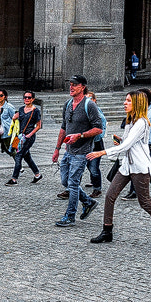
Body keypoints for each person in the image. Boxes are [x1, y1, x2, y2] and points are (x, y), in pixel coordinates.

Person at [91, 90, 151, 246]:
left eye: (128, 101)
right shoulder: (131, 121)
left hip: (139, 167)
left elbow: (127, 145)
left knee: (145, 202)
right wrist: (120, 140)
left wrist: (102, 152)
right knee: (109, 196)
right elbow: (127, 142)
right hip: (127, 166)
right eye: (125, 100)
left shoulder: (141, 122)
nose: (125, 103)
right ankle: (107, 231)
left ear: (137, 104)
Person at [53, 75, 105, 224]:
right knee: (66, 181)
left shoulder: (90, 105)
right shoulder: (68, 104)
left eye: (74, 85)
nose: (71, 87)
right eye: (70, 84)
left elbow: (98, 129)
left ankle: (70, 216)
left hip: (82, 152)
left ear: (82, 87)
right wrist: (57, 149)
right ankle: (88, 202)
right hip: (68, 151)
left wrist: (80, 135)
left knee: (73, 184)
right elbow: (63, 128)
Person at [6, 91, 44, 183]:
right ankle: (37, 174)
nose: (27, 99)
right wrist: (14, 118)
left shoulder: (35, 111)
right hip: (20, 136)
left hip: (28, 137)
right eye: (25, 97)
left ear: (33, 99)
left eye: (29, 97)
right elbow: (17, 120)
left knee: (19, 155)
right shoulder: (21, 109)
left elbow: (39, 125)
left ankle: (14, 178)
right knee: (27, 156)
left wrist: (30, 134)